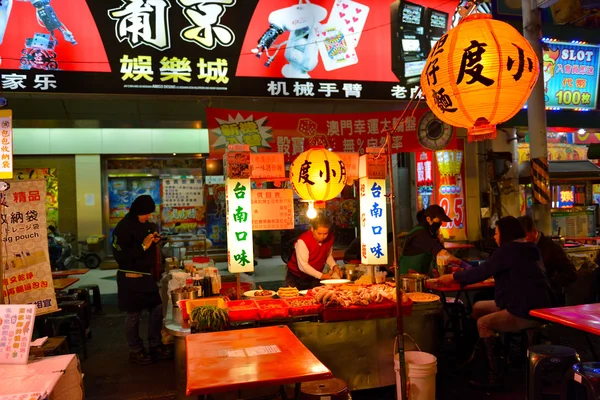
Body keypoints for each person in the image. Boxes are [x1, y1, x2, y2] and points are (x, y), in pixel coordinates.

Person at [434, 216, 554, 389]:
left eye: (496, 233)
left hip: (522, 310)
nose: (494, 237)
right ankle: (483, 348)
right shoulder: (531, 248)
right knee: (477, 307)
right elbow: (486, 269)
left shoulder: (508, 251)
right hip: (538, 307)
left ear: (505, 234)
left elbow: (480, 273)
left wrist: (452, 277)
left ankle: (494, 375)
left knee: (483, 323)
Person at [113, 195, 172, 364]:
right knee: (134, 314)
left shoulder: (146, 225)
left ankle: (155, 344)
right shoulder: (122, 228)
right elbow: (121, 257)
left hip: (146, 275)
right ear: (137, 211)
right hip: (129, 275)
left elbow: (148, 244)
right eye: (145, 214)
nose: (148, 217)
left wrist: (155, 241)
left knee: (157, 308)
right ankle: (135, 349)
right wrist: (143, 246)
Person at [518, 215, 576, 305]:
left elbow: (571, 273)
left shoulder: (551, 248)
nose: (523, 240)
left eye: (525, 236)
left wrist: (548, 283)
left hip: (550, 300)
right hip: (525, 298)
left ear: (534, 231)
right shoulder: (520, 247)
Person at [399, 205, 464, 275]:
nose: (440, 224)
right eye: (439, 220)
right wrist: (462, 264)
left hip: (420, 276)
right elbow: (442, 254)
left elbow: (440, 252)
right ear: (428, 219)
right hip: (408, 279)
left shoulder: (428, 232)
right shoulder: (421, 234)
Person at [286, 214, 342, 290]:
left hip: (315, 276)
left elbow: (327, 255)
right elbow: (303, 266)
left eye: (325, 233)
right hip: (297, 277)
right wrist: (321, 276)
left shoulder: (330, 237)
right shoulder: (303, 241)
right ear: (312, 229)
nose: (322, 237)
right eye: (319, 233)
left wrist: (334, 266)